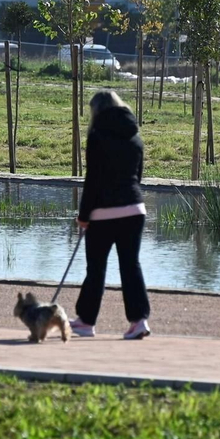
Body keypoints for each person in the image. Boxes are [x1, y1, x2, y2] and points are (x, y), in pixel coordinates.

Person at [70, 90, 151, 340]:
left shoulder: (97, 137)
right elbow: (138, 176)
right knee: (131, 265)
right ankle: (139, 320)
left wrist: (84, 215)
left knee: (96, 268)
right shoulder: (135, 137)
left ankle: (86, 321)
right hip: (134, 209)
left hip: (104, 212)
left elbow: (93, 180)